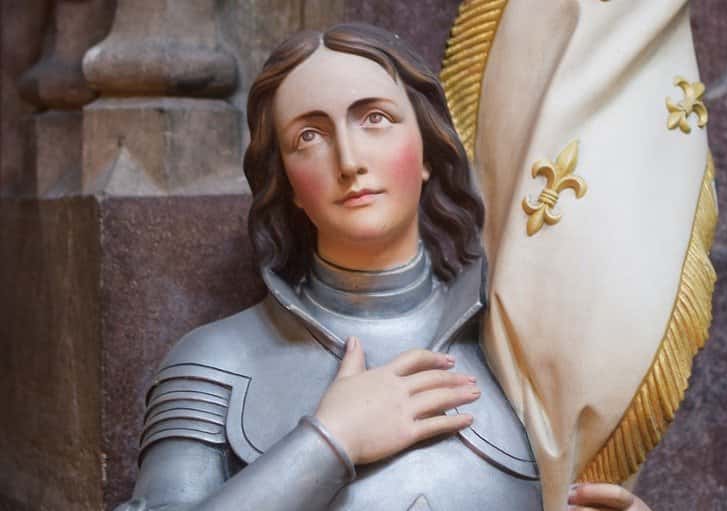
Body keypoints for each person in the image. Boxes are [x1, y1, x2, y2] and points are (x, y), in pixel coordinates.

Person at [117, 23, 651, 511]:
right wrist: (329, 442)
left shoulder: (521, 345)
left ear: (427, 149)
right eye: (309, 136)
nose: (349, 160)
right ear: (288, 183)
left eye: (375, 118)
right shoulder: (217, 364)